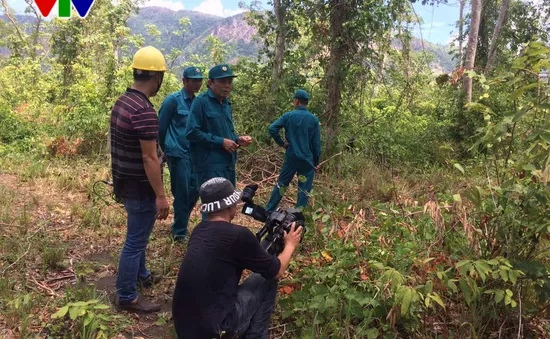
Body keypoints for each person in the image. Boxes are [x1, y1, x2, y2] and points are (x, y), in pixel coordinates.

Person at [172, 177, 303, 338]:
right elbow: (277, 270)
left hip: (184, 327)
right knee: (267, 280)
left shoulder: (199, 230)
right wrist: (290, 244)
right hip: (216, 330)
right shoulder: (238, 235)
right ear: (230, 205)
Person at [109, 46, 170, 313]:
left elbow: (132, 147)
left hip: (125, 181)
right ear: (156, 78)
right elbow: (148, 159)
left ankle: (142, 275)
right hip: (141, 188)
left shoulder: (122, 102)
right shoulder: (144, 110)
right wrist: (161, 195)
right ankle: (126, 295)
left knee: (139, 235)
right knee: (134, 241)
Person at [185, 64, 252, 202]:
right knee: (213, 209)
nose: (227, 86)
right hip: (209, 166)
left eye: (229, 82)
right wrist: (220, 142)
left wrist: (238, 140)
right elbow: (191, 132)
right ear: (210, 83)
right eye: (222, 82)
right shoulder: (201, 102)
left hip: (228, 164)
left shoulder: (226, 104)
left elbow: (226, 133)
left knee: (228, 206)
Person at [158, 66, 204, 241]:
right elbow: (161, 128)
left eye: (199, 80)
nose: (197, 84)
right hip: (177, 153)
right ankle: (179, 231)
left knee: (196, 190)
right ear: (184, 81)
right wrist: (164, 151)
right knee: (182, 192)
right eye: (194, 80)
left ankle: (180, 220)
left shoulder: (198, 102)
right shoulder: (173, 101)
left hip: (195, 154)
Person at [265, 89, 322, 213]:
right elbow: (316, 144)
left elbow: (272, 128)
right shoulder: (313, 120)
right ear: (306, 103)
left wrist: (282, 144)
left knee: (282, 184)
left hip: (291, 157)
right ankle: (297, 215)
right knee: (304, 190)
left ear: (296, 101)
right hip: (307, 159)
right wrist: (316, 162)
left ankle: (269, 210)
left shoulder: (289, 116)